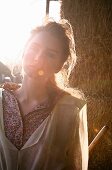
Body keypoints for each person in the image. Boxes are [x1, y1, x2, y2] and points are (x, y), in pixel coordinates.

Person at [0, 18, 88, 170]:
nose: (38, 58)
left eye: (50, 54)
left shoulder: (69, 111)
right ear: (24, 49)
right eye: (34, 48)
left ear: (59, 66)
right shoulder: (2, 99)